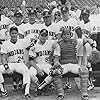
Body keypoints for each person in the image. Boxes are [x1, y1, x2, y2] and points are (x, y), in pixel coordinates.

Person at [0, 26, 31, 99]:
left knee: (26, 70)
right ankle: (3, 90)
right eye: (12, 33)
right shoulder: (5, 44)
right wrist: (7, 68)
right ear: (9, 34)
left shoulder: (23, 42)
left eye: (15, 33)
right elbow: (3, 58)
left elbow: (33, 42)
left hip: (20, 64)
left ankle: (26, 93)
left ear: (18, 34)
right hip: (10, 64)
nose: (14, 35)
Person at [28, 29, 61, 96]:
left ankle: (39, 88)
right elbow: (30, 60)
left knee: (54, 73)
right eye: (42, 35)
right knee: (30, 73)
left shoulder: (51, 43)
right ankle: (40, 87)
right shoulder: (34, 45)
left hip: (47, 64)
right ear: (39, 35)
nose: (43, 37)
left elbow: (59, 43)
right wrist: (38, 69)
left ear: (47, 36)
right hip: (37, 64)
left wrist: (55, 47)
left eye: (45, 35)